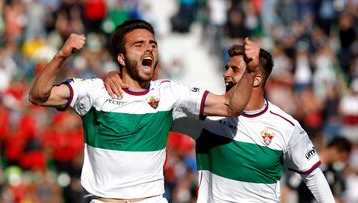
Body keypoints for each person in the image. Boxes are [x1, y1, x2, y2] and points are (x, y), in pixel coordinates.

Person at [29, 19, 260, 203]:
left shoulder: (169, 93)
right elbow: (38, 96)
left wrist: (250, 70)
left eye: (152, 44)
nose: (148, 48)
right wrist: (62, 55)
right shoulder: (94, 90)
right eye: (138, 45)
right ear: (121, 57)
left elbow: (230, 106)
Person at [104, 44, 336, 202]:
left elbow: (313, 175)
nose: (225, 74)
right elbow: (152, 106)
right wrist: (120, 78)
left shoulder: (287, 126)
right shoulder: (207, 116)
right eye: (226, 67)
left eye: (234, 69)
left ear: (255, 78)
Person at [282, 136, 351, 203]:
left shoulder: (333, 172)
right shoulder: (307, 165)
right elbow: (287, 190)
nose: (342, 162)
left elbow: (337, 197)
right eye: (342, 158)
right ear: (333, 150)